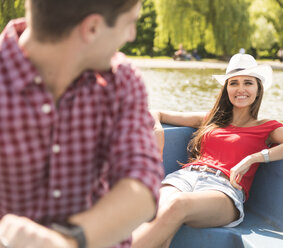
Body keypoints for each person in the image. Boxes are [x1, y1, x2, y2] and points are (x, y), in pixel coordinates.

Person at [0, 0, 164, 248]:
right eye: (130, 22)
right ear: (92, 28)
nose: (131, 36)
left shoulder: (122, 80)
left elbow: (143, 182)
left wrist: (67, 240)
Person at [131, 54, 283, 248]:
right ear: (226, 89)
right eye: (233, 83)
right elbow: (155, 112)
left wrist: (254, 158)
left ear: (258, 89)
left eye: (248, 83)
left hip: (224, 189)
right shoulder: (211, 119)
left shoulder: (267, 127)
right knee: (155, 213)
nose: (240, 89)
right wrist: (157, 128)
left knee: (176, 205)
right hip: (185, 177)